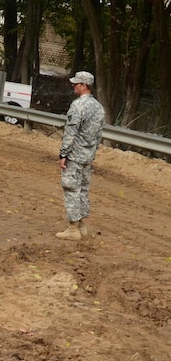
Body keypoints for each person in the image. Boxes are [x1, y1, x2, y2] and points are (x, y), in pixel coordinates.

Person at [55, 70, 105, 240]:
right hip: (88, 156)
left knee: (71, 189)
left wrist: (63, 154)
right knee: (83, 189)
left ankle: (73, 228)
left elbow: (71, 132)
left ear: (84, 86)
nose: (73, 86)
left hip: (75, 156)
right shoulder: (99, 108)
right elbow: (99, 135)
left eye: (76, 84)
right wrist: (92, 152)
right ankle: (82, 225)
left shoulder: (78, 106)